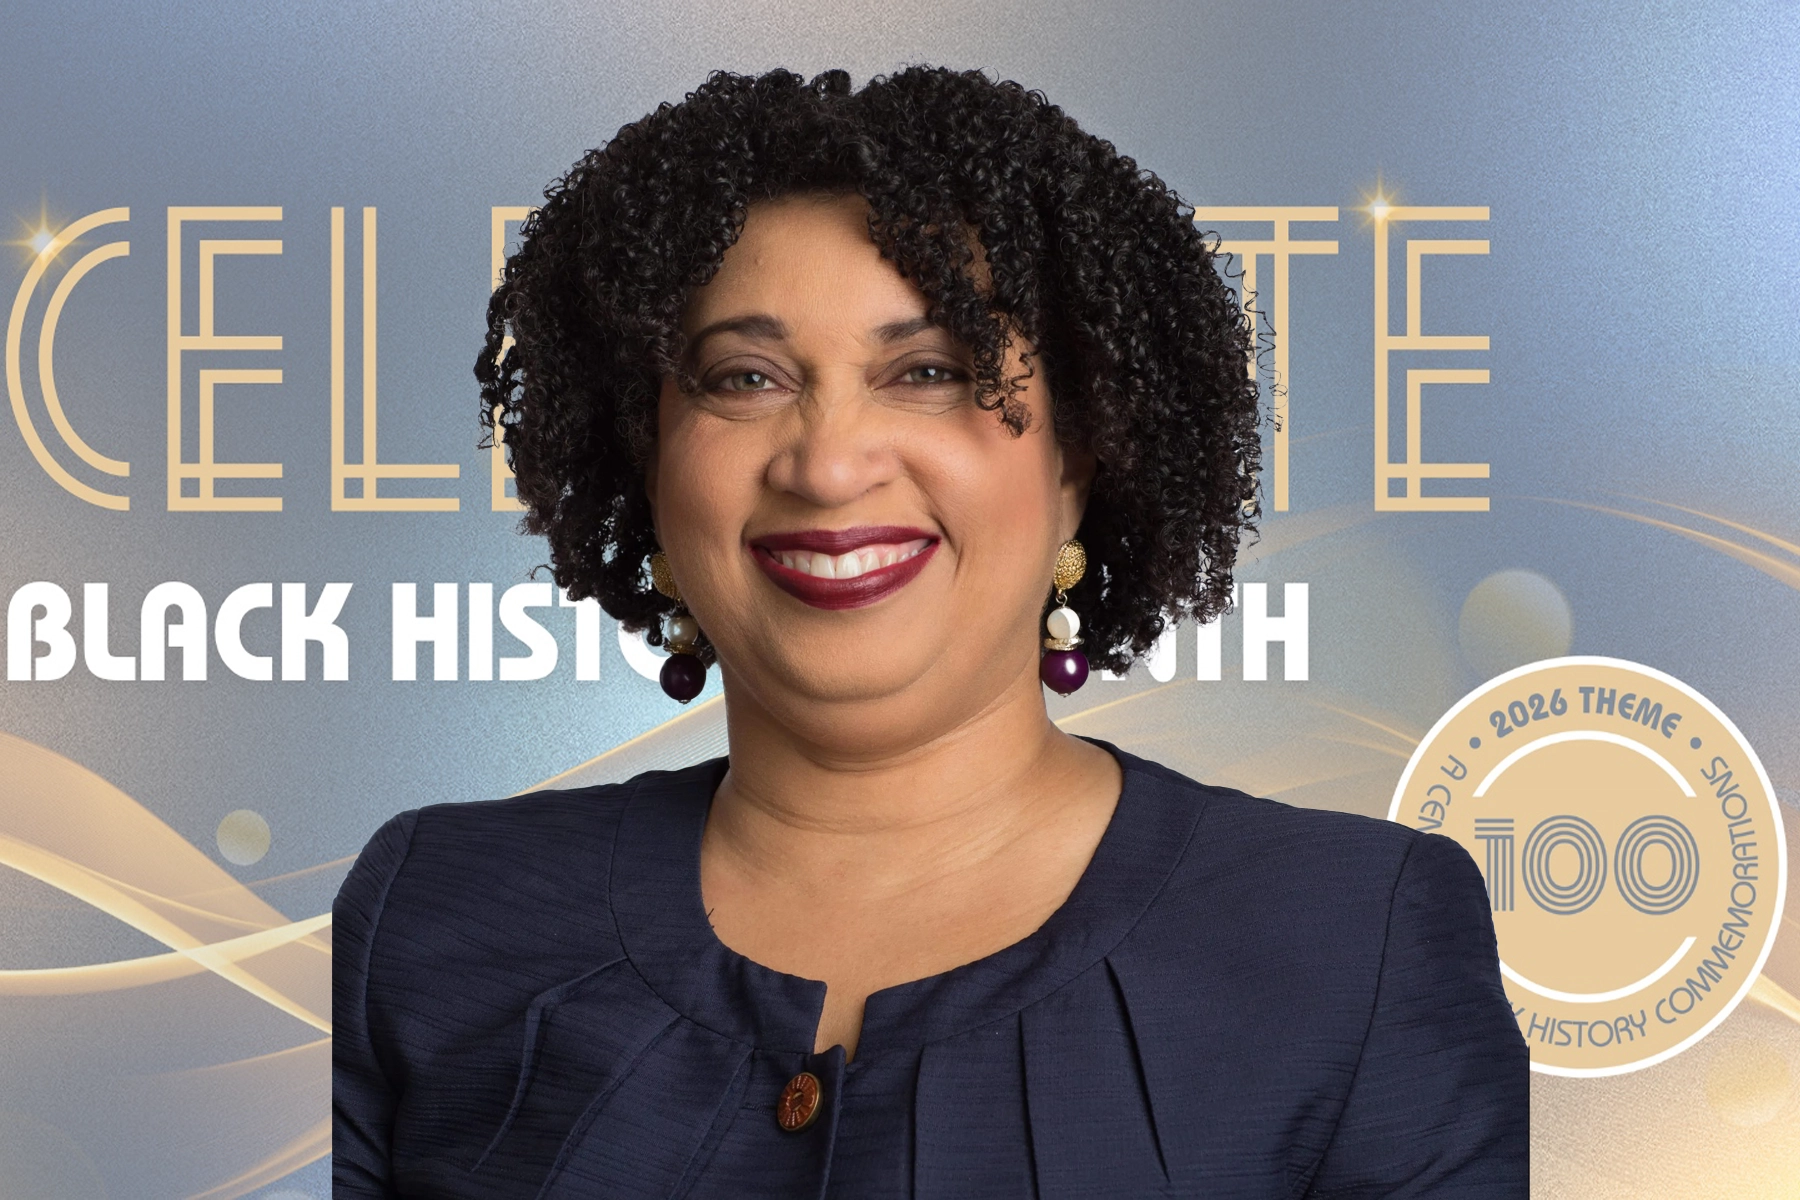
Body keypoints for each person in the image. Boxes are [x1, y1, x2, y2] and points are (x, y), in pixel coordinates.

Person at [332, 66, 1528, 1198]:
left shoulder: (1355, 941)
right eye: (744, 377)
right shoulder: (426, 915)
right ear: (645, 461)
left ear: (1080, 459)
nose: (827, 464)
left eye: (931, 371)